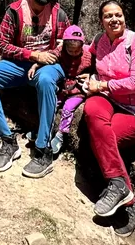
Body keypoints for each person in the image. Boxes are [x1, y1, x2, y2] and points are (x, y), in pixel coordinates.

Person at [0, 0, 69, 178]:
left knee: (46, 81)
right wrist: (33, 56)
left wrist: (45, 59)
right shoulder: (15, 11)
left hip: (49, 65)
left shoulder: (58, 14)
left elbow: (65, 45)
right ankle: (7, 141)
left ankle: (43, 149)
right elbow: (2, 45)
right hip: (21, 63)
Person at [84, 0, 135, 237]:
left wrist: (101, 85)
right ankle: (119, 186)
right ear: (101, 21)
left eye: (118, 15)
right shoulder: (100, 41)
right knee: (90, 111)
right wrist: (64, 48)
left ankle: (129, 204)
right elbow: (85, 54)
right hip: (108, 99)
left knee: (106, 138)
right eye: (108, 16)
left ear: (124, 17)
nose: (114, 19)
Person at [29, 24, 92, 153]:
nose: (73, 53)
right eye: (70, 51)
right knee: (52, 104)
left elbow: (96, 69)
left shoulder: (88, 56)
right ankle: (42, 129)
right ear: (65, 46)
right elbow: (49, 56)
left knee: (68, 108)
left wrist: (90, 76)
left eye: (76, 51)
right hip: (63, 87)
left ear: (82, 46)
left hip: (78, 91)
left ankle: (60, 135)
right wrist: (35, 65)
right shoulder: (61, 51)